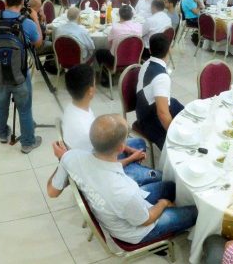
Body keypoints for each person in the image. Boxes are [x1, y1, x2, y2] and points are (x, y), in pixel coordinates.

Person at [46, 114, 198, 245]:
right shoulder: (124, 191)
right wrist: (163, 204)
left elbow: (52, 192)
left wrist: (63, 160)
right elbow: (146, 220)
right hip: (138, 230)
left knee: (170, 187)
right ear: (121, 148)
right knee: (196, 212)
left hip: (122, 207)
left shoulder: (72, 157)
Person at [61, 65, 162, 185]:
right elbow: (105, 166)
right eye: (94, 83)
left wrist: (129, 150)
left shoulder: (73, 108)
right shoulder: (84, 130)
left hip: (99, 156)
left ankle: (134, 170)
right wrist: (131, 158)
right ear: (90, 91)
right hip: (101, 175)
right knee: (160, 178)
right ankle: (130, 177)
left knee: (139, 143)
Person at [0, 0, 43, 154]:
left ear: (5, 1)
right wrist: (36, 19)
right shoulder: (27, 23)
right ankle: (27, 143)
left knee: (0, 105)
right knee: (24, 109)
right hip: (20, 74)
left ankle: (2, 134)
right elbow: (38, 43)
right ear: (22, 3)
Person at [135, 33, 184, 150]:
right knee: (178, 148)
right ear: (169, 50)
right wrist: (174, 136)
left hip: (143, 110)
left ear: (150, 50)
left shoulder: (146, 63)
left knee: (185, 113)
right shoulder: (162, 77)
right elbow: (162, 114)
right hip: (149, 120)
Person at [96, 5, 141, 71]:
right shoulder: (139, 27)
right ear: (132, 15)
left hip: (116, 60)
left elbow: (110, 43)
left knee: (99, 52)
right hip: (133, 58)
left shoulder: (116, 28)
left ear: (119, 15)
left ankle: (103, 73)